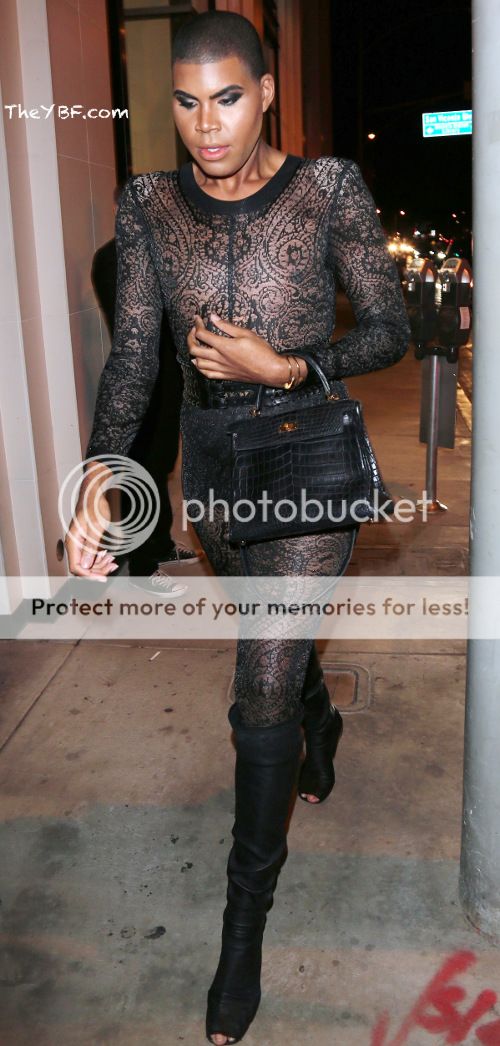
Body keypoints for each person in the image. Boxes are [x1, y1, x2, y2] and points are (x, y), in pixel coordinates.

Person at [65, 10, 410, 1044]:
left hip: (304, 454)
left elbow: (390, 327)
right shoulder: (146, 204)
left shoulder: (327, 187)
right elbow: (135, 359)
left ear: (264, 93)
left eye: (226, 98)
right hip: (212, 467)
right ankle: (318, 720)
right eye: (185, 102)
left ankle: (241, 931)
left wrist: (287, 365)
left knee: (256, 682)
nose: (205, 125)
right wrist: (100, 478)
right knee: (277, 646)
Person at [91, 186, 202, 596]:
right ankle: (141, 566)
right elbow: (138, 331)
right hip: (140, 382)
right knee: (141, 470)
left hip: (169, 377)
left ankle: (158, 544)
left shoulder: (159, 252)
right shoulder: (113, 257)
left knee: (160, 463)